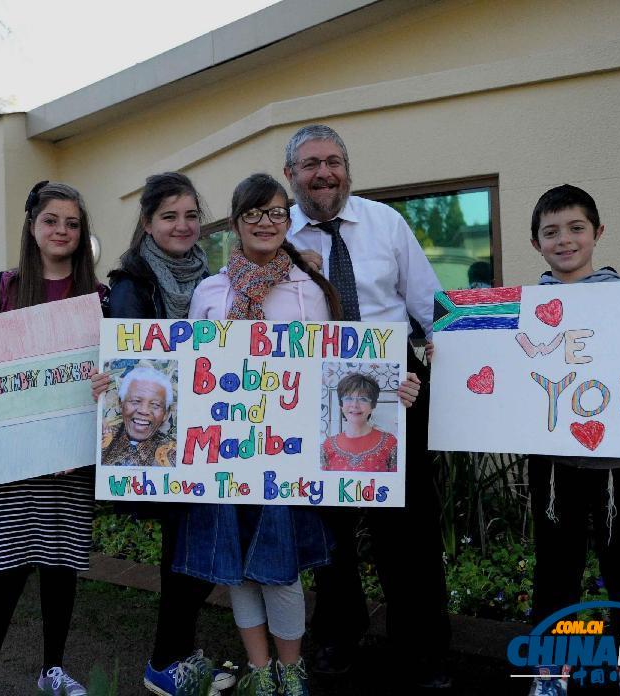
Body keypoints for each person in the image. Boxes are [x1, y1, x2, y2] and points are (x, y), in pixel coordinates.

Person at [174, 172, 422, 696]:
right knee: (239, 567)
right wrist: (117, 381)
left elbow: (343, 368)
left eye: (276, 213)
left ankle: (292, 669)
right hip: (225, 454)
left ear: (289, 222)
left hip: (287, 456)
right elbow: (183, 370)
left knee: (280, 567)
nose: (266, 223)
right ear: (236, 224)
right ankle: (260, 670)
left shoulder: (310, 290)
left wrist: (391, 389)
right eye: (254, 214)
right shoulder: (210, 293)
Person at [284, 124, 451, 690]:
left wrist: (454, 366)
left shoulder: (386, 223)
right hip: (312, 398)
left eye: (332, 161)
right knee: (328, 529)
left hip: (396, 389)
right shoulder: (275, 235)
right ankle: (336, 632)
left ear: (348, 169)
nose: (323, 172)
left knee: (409, 530)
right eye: (309, 164)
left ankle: (424, 646)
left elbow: (431, 307)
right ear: (291, 176)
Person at [0, 181, 105, 696]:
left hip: (70, 461)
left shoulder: (99, 297)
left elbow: (112, 372)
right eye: (52, 221)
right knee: (3, 571)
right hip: (9, 462)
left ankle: (53, 669)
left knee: (60, 568)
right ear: (33, 227)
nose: (62, 231)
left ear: (82, 233)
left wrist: (110, 381)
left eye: (72, 223)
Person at [89, 172, 235, 696]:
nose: (182, 225)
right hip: (163, 443)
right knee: (186, 556)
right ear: (148, 223)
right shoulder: (133, 285)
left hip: (209, 438)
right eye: (169, 216)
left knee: (199, 551)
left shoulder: (212, 279)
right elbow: (135, 363)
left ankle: (180, 653)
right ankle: (163, 664)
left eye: (192, 215)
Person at [524, 185, 620, 696]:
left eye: (576, 228)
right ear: (536, 243)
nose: (564, 240)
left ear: (598, 233)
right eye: (550, 232)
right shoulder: (524, 308)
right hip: (555, 465)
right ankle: (551, 669)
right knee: (556, 567)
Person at [320, 372, 397, 472]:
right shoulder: (328, 445)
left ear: (372, 406)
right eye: (348, 398)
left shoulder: (390, 443)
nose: (355, 405)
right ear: (341, 405)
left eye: (363, 399)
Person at [101, 366, 177, 467]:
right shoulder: (102, 436)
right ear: (121, 403)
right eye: (135, 401)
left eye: (155, 404)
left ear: (165, 414)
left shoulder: (174, 454)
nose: (143, 411)